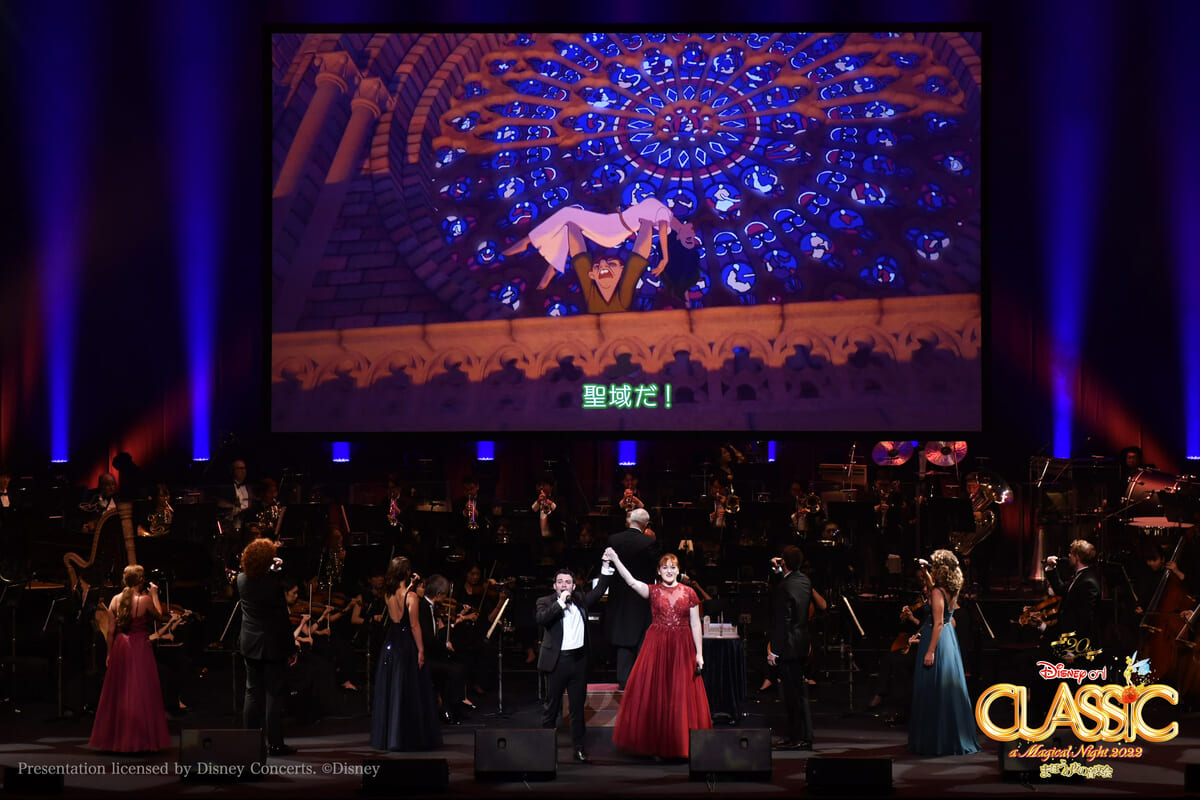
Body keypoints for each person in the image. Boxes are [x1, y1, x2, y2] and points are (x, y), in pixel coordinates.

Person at [604, 549, 711, 759]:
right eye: (665, 567)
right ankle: (658, 744)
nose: (669, 571)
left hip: (682, 647)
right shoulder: (653, 591)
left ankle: (681, 744)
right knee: (659, 694)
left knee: (680, 693)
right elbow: (631, 582)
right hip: (657, 647)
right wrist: (615, 559)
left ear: (678, 570)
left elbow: (695, 624)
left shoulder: (689, 592)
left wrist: (699, 654)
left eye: (673, 567)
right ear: (659, 571)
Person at [503, 196, 697, 288]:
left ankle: (527, 241)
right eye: (692, 234)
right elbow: (661, 227)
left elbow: (662, 231)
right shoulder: (665, 213)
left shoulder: (664, 219)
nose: (691, 235)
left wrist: (665, 259)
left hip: (613, 229)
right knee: (569, 224)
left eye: (689, 240)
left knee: (567, 213)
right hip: (613, 223)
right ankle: (551, 269)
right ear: (689, 225)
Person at [88, 564, 170, 752]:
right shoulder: (145, 600)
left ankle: (117, 740)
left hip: (120, 647)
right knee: (140, 691)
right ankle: (139, 740)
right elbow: (159, 616)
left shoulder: (115, 599)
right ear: (141, 580)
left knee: (120, 692)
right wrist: (155, 594)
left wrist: (109, 653)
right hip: (139, 647)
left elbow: (110, 631)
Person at [536, 564, 613, 763]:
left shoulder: (580, 600)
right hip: (557, 662)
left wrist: (605, 567)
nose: (564, 585)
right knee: (551, 708)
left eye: (568, 582)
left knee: (578, 709)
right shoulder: (545, 602)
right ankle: (545, 750)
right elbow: (542, 619)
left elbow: (599, 591)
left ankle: (579, 749)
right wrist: (560, 603)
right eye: (560, 582)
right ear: (555, 586)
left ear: (573, 586)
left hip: (578, 662)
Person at [908, 550, 980, 756]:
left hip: (937, 639)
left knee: (935, 688)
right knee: (945, 688)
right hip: (948, 638)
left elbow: (938, 622)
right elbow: (936, 595)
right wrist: (925, 572)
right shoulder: (950, 588)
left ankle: (937, 741)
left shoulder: (938, 593)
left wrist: (930, 651)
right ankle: (950, 737)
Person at [370, 556, 441, 751]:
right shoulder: (412, 597)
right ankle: (405, 737)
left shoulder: (387, 593)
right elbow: (414, 625)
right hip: (406, 645)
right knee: (407, 690)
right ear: (407, 572)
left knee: (392, 688)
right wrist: (421, 650)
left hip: (390, 643)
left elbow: (399, 604)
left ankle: (390, 737)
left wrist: (411, 585)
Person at [236, 538, 296, 756]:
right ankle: (276, 744)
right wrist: (291, 647)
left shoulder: (241, 580)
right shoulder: (273, 585)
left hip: (250, 643)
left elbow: (259, 580)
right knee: (274, 694)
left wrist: (271, 570)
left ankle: (249, 743)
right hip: (272, 644)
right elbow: (282, 619)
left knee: (252, 692)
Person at [767, 546, 821, 750]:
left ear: (784, 562)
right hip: (802, 643)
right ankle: (797, 735)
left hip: (788, 646)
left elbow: (783, 622)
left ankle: (798, 736)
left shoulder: (784, 587)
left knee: (792, 695)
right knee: (797, 692)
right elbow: (788, 583)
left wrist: (774, 650)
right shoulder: (805, 581)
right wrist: (779, 571)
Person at [603, 508, 661, 688]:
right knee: (642, 641)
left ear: (629, 521)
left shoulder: (614, 540)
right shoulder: (649, 543)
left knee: (623, 639)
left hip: (618, 600)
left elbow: (607, 567)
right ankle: (642, 684)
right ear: (646, 524)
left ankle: (624, 681)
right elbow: (656, 570)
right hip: (641, 600)